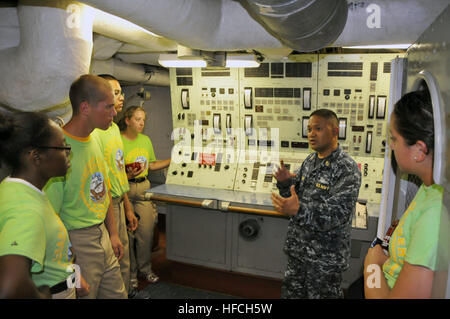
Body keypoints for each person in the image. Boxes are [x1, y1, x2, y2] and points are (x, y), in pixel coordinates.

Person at [44, 74, 127, 299]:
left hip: (101, 233)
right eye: (108, 106)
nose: (114, 112)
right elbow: (49, 216)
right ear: (85, 107)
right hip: (77, 242)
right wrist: (69, 266)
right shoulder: (59, 150)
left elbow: (105, 190)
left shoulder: (94, 140)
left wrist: (112, 233)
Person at [363, 89, 446, 298]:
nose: (391, 145)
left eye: (394, 138)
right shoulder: (430, 188)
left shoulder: (435, 215)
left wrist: (371, 265)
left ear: (419, 150)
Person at [271, 109, 361, 299]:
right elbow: (296, 198)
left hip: (324, 261)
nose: (311, 134)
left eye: (318, 128)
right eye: (309, 129)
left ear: (335, 131)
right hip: (299, 253)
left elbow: (336, 214)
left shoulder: (346, 168)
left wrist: (298, 209)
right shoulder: (310, 161)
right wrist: (286, 183)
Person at [0, 112, 89, 299]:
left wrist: (71, 273)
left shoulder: (16, 188)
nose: (67, 152)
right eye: (62, 146)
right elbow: (10, 287)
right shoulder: (26, 210)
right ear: (36, 156)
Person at [93, 74, 138, 295]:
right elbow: (102, 179)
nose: (122, 97)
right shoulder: (95, 133)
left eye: (122, 92)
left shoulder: (113, 130)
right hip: (105, 206)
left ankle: (128, 291)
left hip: (120, 200)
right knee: (114, 257)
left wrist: (128, 206)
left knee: (125, 255)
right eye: (116, 92)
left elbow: (118, 173)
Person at [119, 105, 171, 293]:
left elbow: (152, 164)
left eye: (143, 120)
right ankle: (131, 275)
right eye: (138, 119)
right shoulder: (117, 141)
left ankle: (145, 269)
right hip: (123, 189)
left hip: (143, 188)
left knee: (146, 233)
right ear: (127, 120)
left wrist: (173, 160)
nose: (142, 123)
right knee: (127, 235)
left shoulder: (145, 140)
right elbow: (115, 173)